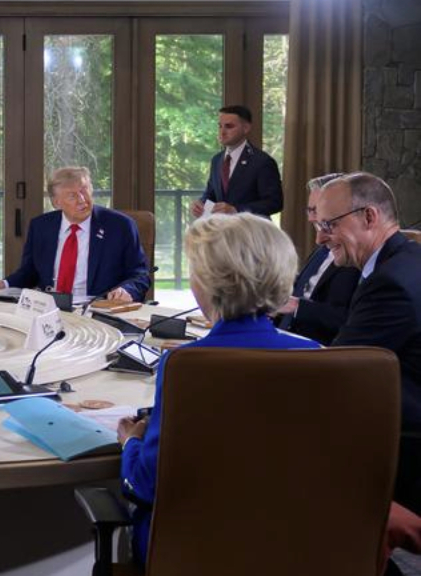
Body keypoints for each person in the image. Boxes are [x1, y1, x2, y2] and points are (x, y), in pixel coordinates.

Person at [116, 213, 319, 565]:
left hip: (192, 552)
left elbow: (146, 485)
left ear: (209, 283)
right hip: (295, 548)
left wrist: (131, 441)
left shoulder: (186, 364)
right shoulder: (316, 356)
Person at [319, 172, 421, 511]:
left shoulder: (389, 283)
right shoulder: (407, 259)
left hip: (402, 451)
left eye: (329, 225)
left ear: (369, 216)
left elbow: (335, 371)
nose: (320, 237)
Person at [0, 167, 150, 303]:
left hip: (97, 308)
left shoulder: (120, 226)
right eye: (72, 196)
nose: (82, 199)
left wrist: (126, 290)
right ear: (56, 202)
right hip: (49, 306)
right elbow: (29, 272)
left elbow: (140, 275)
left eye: (84, 190)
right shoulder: (41, 226)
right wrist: (2, 284)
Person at [274, 173, 361, 344]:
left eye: (316, 210)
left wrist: (296, 306)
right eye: (310, 210)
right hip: (281, 333)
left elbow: (347, 319)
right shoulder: (322, 248)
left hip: (315, 348)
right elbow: (304, 285)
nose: (312, 218)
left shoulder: (354, 255)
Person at [190, 105, 283, 218]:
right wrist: (200, 204)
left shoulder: (262, 162)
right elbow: (211, 194)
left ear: (246, 128)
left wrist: (236, 210)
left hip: (250, 227)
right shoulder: (216, 160)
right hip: (221, 226)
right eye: (220, 126)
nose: (222, 132)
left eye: (229, 126)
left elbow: (275, 203)